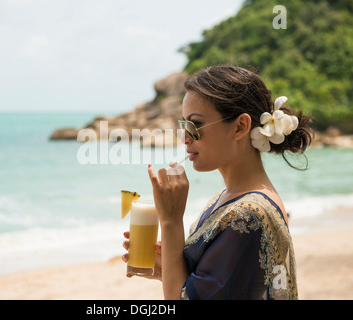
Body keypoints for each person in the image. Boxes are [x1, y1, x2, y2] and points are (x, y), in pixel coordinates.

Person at [122, 65, 313, 300]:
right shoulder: (225, 199)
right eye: (184, 125)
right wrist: (169, 267)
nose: (185, 138)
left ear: (240, 127)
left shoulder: (248, 214)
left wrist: (171, 221)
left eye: (196, 125)